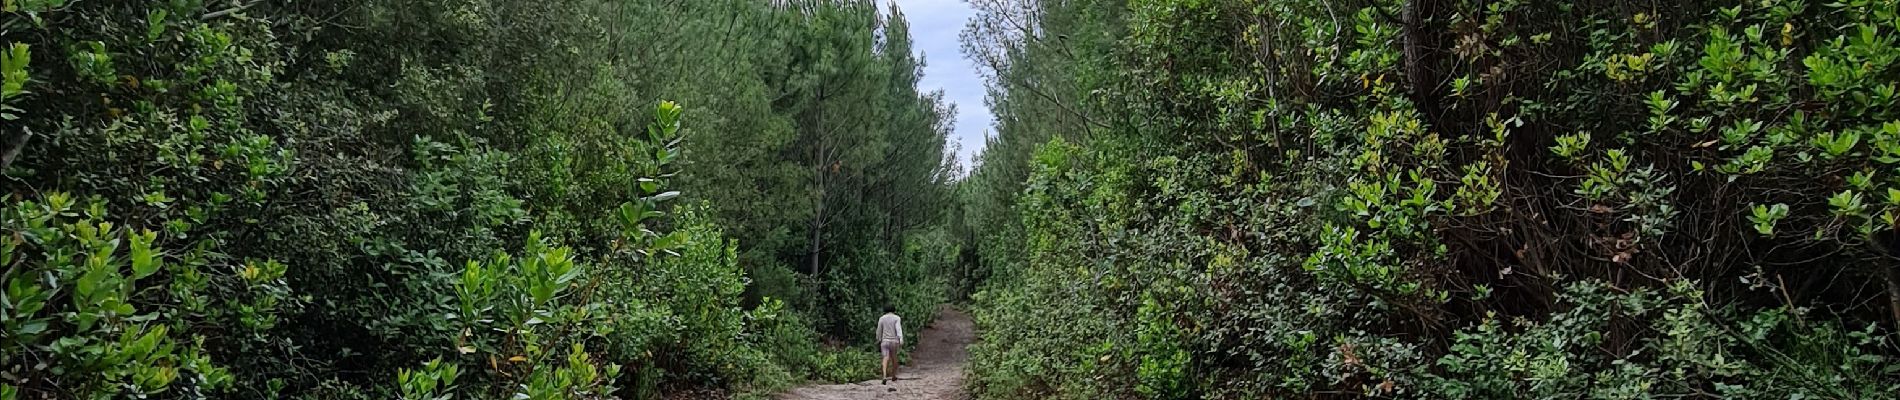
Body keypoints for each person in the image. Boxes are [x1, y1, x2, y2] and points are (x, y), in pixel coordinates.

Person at [877, 305, 904, 385]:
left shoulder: (882, 318)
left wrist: (878, 338)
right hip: (894, 341)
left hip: (885, 340)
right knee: (894, 357)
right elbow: (898, 329)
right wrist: (901, 339)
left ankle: (884, 375)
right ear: (894, 310)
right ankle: (893, 375)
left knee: (885, 358)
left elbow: (879, 330)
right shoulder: (897, 318)